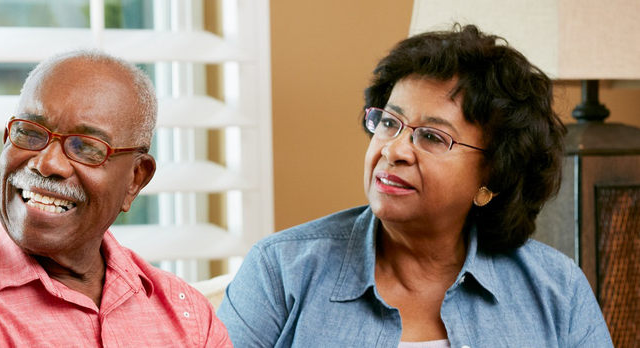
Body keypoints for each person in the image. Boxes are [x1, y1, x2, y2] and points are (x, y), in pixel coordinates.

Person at [217, 25, 613, 347]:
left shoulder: (556, 289)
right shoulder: (281, 271)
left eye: (432, 137)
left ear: (493, 176)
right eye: (389, 122)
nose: (394, 151)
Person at [0, 49, 231, 347]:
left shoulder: (186, 311)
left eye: (86, 147)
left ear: (135, 179)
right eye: (30, 133)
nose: (47, 163)